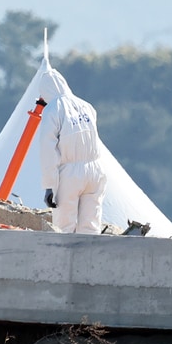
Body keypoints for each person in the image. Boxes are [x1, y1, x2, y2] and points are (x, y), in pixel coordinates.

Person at [35, 63, 107, 235]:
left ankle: (63, 262)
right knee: (90, 227)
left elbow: (48, 151)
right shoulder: (86, 105)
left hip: (70, 172)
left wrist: (50, 185)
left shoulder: (53, 110)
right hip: (96, 170)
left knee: (63, 228)